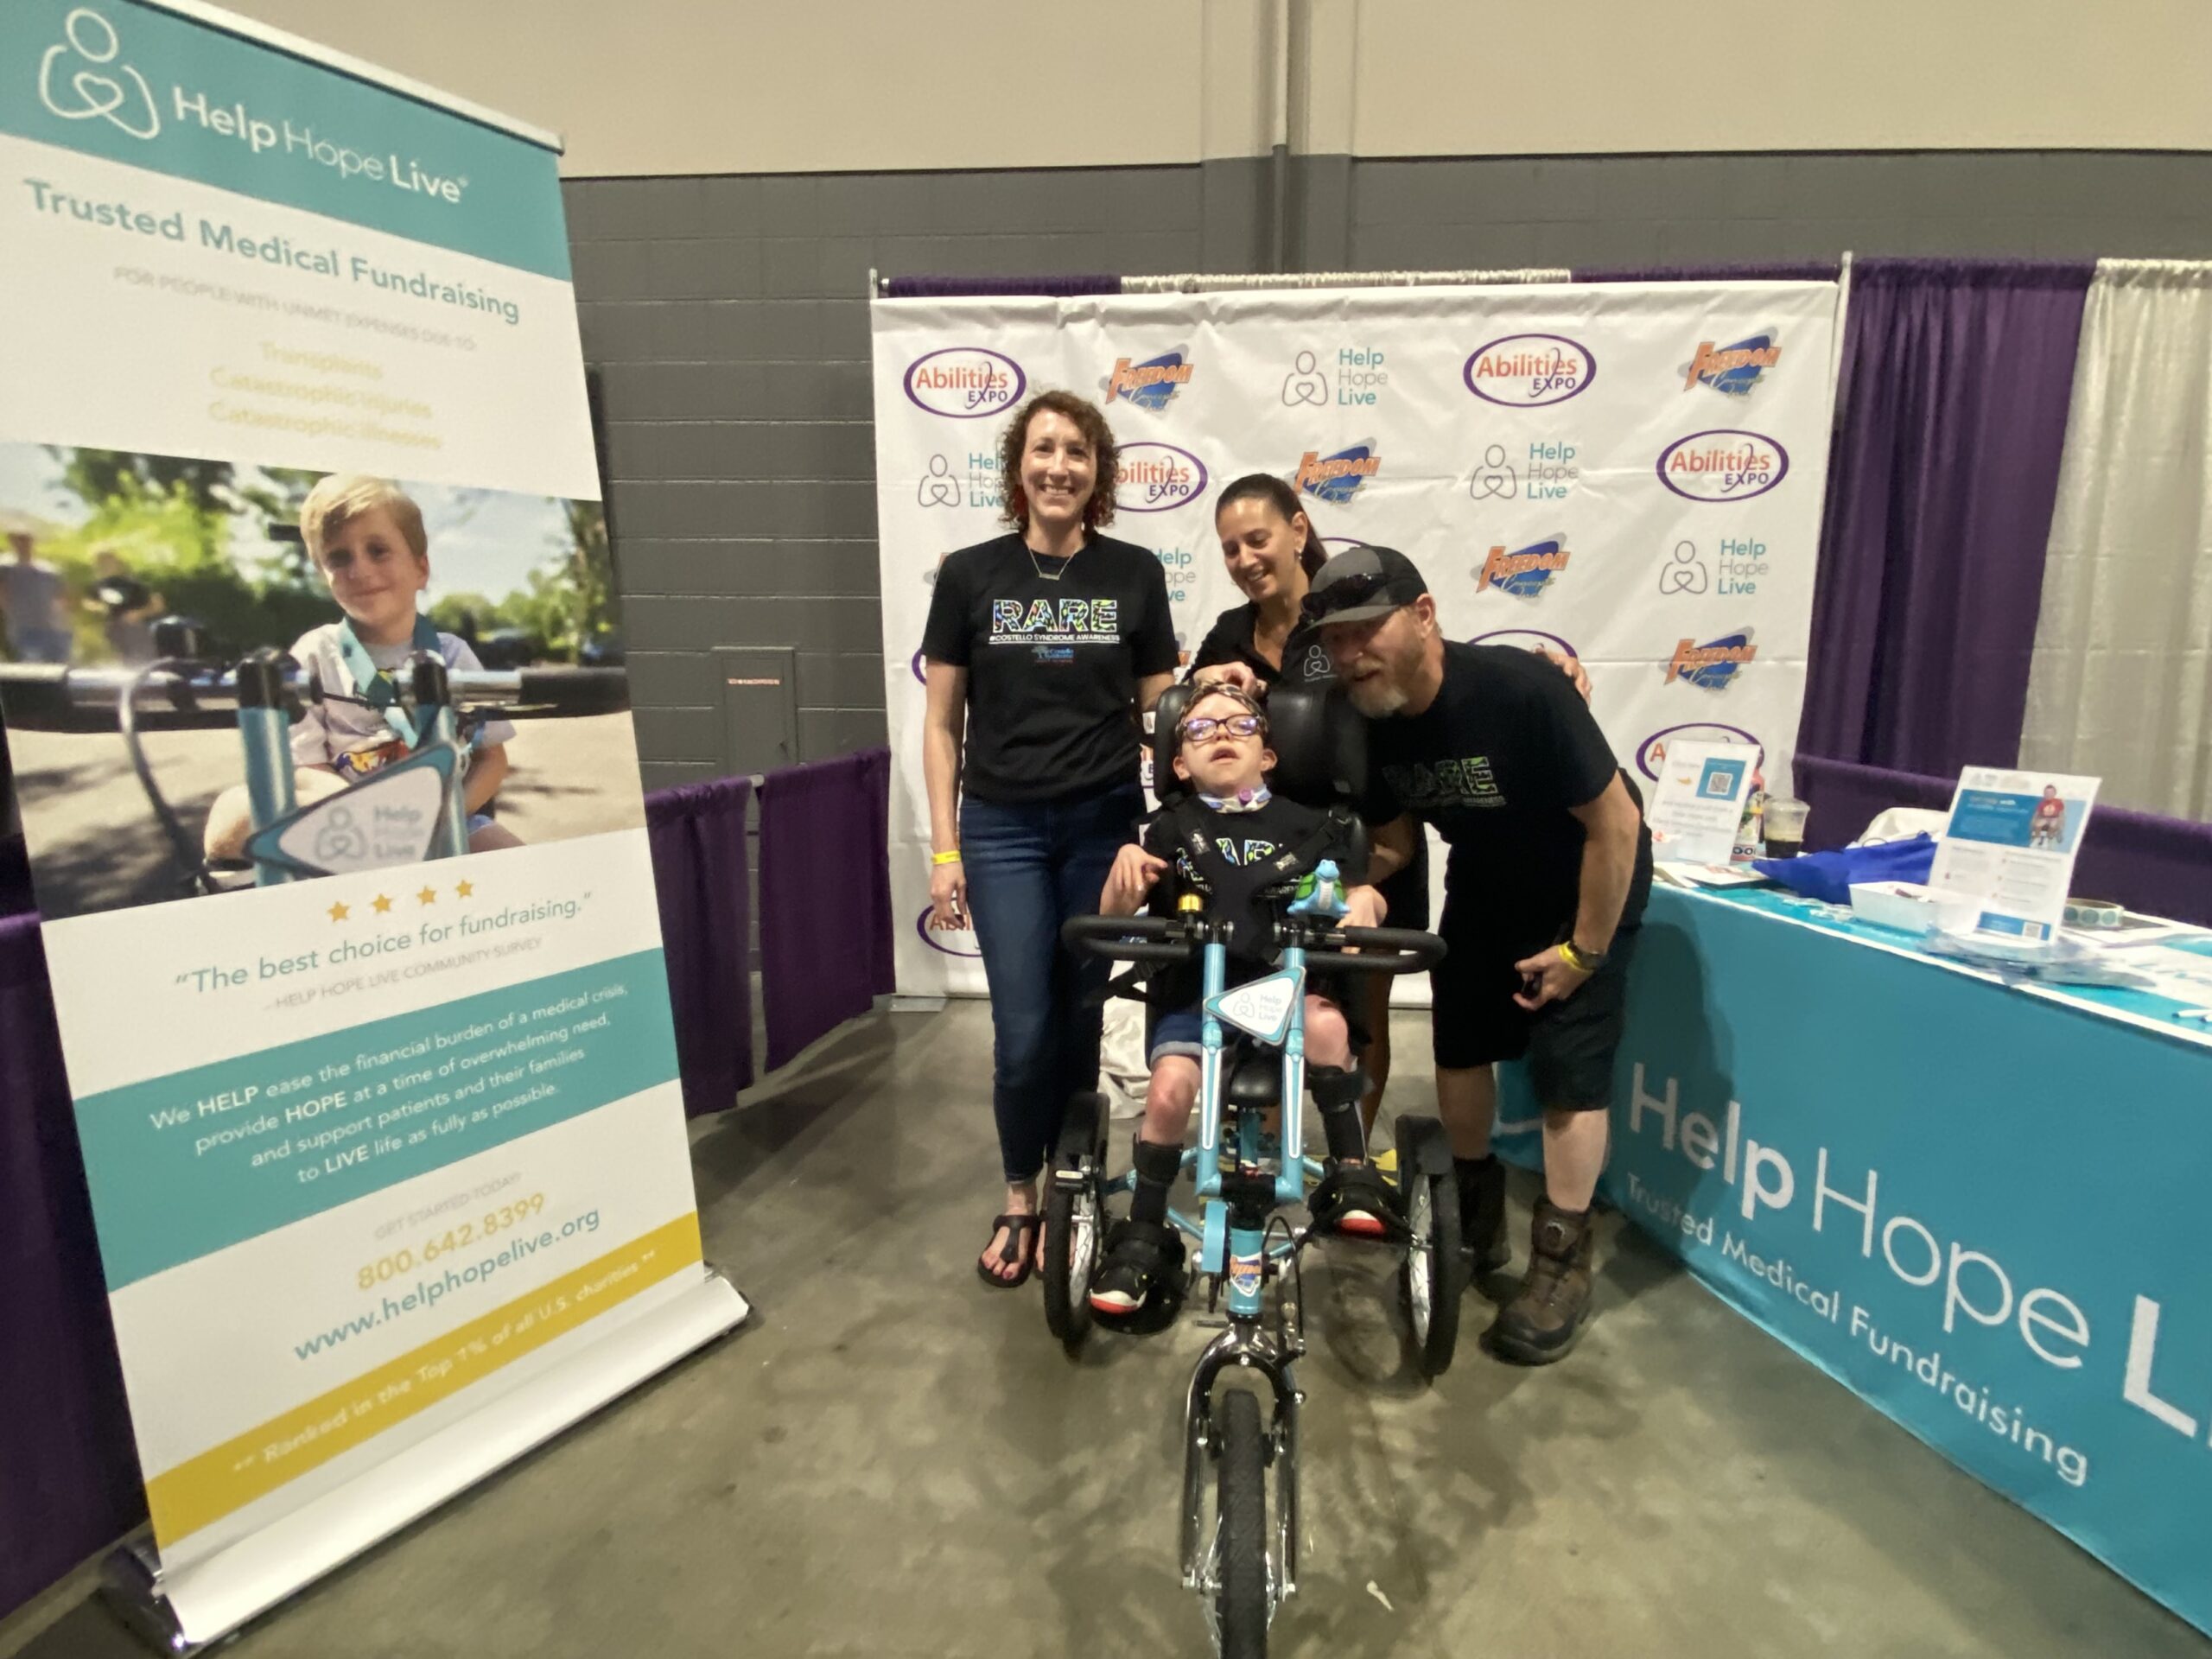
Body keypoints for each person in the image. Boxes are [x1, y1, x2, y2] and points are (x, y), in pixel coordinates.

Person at [1306, 544, 1651, 1366]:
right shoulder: (1369, 719)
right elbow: (1392, 845)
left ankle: (1563, 1263)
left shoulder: (1518, 690)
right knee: (1459, 1044)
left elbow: (1617, 826)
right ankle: (1469, 1225)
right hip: (1487, 886)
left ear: (1424, 616)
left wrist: (1582, 952)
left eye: (1365, 630)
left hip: (1584, 888)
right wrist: (1361, 887)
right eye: (1335, 640)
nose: (1349, 655)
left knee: (1569, 1072)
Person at [1187, 476, 1590, 1147]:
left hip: (1374, 841)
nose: (1245, 559)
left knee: (1362, 1011)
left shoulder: (1352, 605)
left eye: (1257, 539)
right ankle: (1258, 1163)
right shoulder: (1228, 637)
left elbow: (1431, 675)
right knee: (1266, 995)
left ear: (1297, 528)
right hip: (1265, 854)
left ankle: (1353, 1165)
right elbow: (1197, 729)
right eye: (1230, 548)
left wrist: (1551, 676)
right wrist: (1202, 683)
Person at [920, 391, 1179, 1289]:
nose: (1058, 465)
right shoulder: (970, 576)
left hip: (1101, 827)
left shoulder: (1135, 574)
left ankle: (1073, 1179)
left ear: (1098, 471)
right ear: (1017, 467)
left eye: (1076, 451)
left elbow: (1163, 714)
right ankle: (1020, 1191)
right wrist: (944, 847)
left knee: (1078, 1018)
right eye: (1042, 449)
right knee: (1023, 1029)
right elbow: (940, 723)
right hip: (1002, 832)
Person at [1087, 683, 1390, 1316]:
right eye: (1198, 731)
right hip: (1197, 997)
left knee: (1330, 1031)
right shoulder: (1165, 830)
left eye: (1238, 726)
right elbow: (1114, 918)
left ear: (1270, 755)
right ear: (1176, 764)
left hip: (1283, 994)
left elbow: (1358, 897)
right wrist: (1121, 883)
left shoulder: (1314, 827)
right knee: (1169, 1088)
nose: (1220, 735)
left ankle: (1351, 1171)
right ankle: (1145, 1230)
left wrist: (1366, 901)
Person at [203, 476, 525, 865]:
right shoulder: (314, 653)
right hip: (341, 820)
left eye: (378, 550)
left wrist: (446, 816)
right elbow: (307, 769)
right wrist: (365, 824)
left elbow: (493, 759)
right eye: (339, 558)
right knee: (232, 814)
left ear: (421, 570)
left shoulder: (451, 653)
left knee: (525, 871)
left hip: (445, 819)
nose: (359, 569)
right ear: (325, 575)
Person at [82, 547, 165, 664]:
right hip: (111, 630)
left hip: (135, 630)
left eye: (108, 562)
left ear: (118, 563)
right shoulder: (98, 586)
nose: (105, 566)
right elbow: (88, 603)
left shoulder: (134, 585)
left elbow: (158, 605)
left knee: (141, 662)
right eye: (101, 563)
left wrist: (138, 614)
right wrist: (99, 608)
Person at [1, 532, 72, 664]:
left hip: (52, 628)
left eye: (26, 540)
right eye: (19, 540)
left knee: (58, 667)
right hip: (23, 627)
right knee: (33, 666)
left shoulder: (48, 570)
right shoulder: (5, 568)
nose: (23, 544)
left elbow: (61, 598)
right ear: (12, 542)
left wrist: (62, 623)